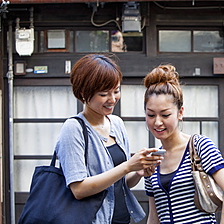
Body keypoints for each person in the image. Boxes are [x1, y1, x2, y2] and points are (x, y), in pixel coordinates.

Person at [55, 54, 162, 224]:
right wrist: (127, 166)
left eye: (116, 90)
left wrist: (137, 172)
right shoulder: (73, 129)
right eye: (104, 94)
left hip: (122, 218)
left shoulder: (117, 124)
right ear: (84, 93)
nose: (112, 99)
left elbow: (121, 183)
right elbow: (79, 189)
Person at [143, 64, 224, 224]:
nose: (158, 122)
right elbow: (154, 217)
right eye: (151, 115)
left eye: (165, 114)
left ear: (180, 113)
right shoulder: (153, 159)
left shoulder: (200, 146)